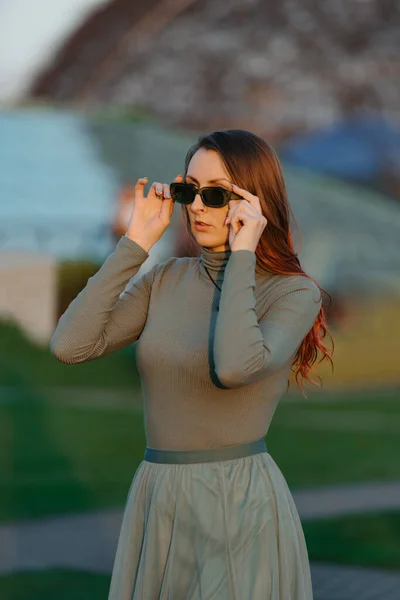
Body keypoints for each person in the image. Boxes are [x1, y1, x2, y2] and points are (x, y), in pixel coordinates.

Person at [50, 129, 333, 599]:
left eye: (216, 194)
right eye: (188, 191)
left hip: (238, 501)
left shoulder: (293, 293)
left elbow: (235, 367)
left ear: (253, 204)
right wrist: (135, 243)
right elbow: (71, 345)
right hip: (156, 496)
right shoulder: (164, 280)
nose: (197, 206)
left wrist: (242, 255)